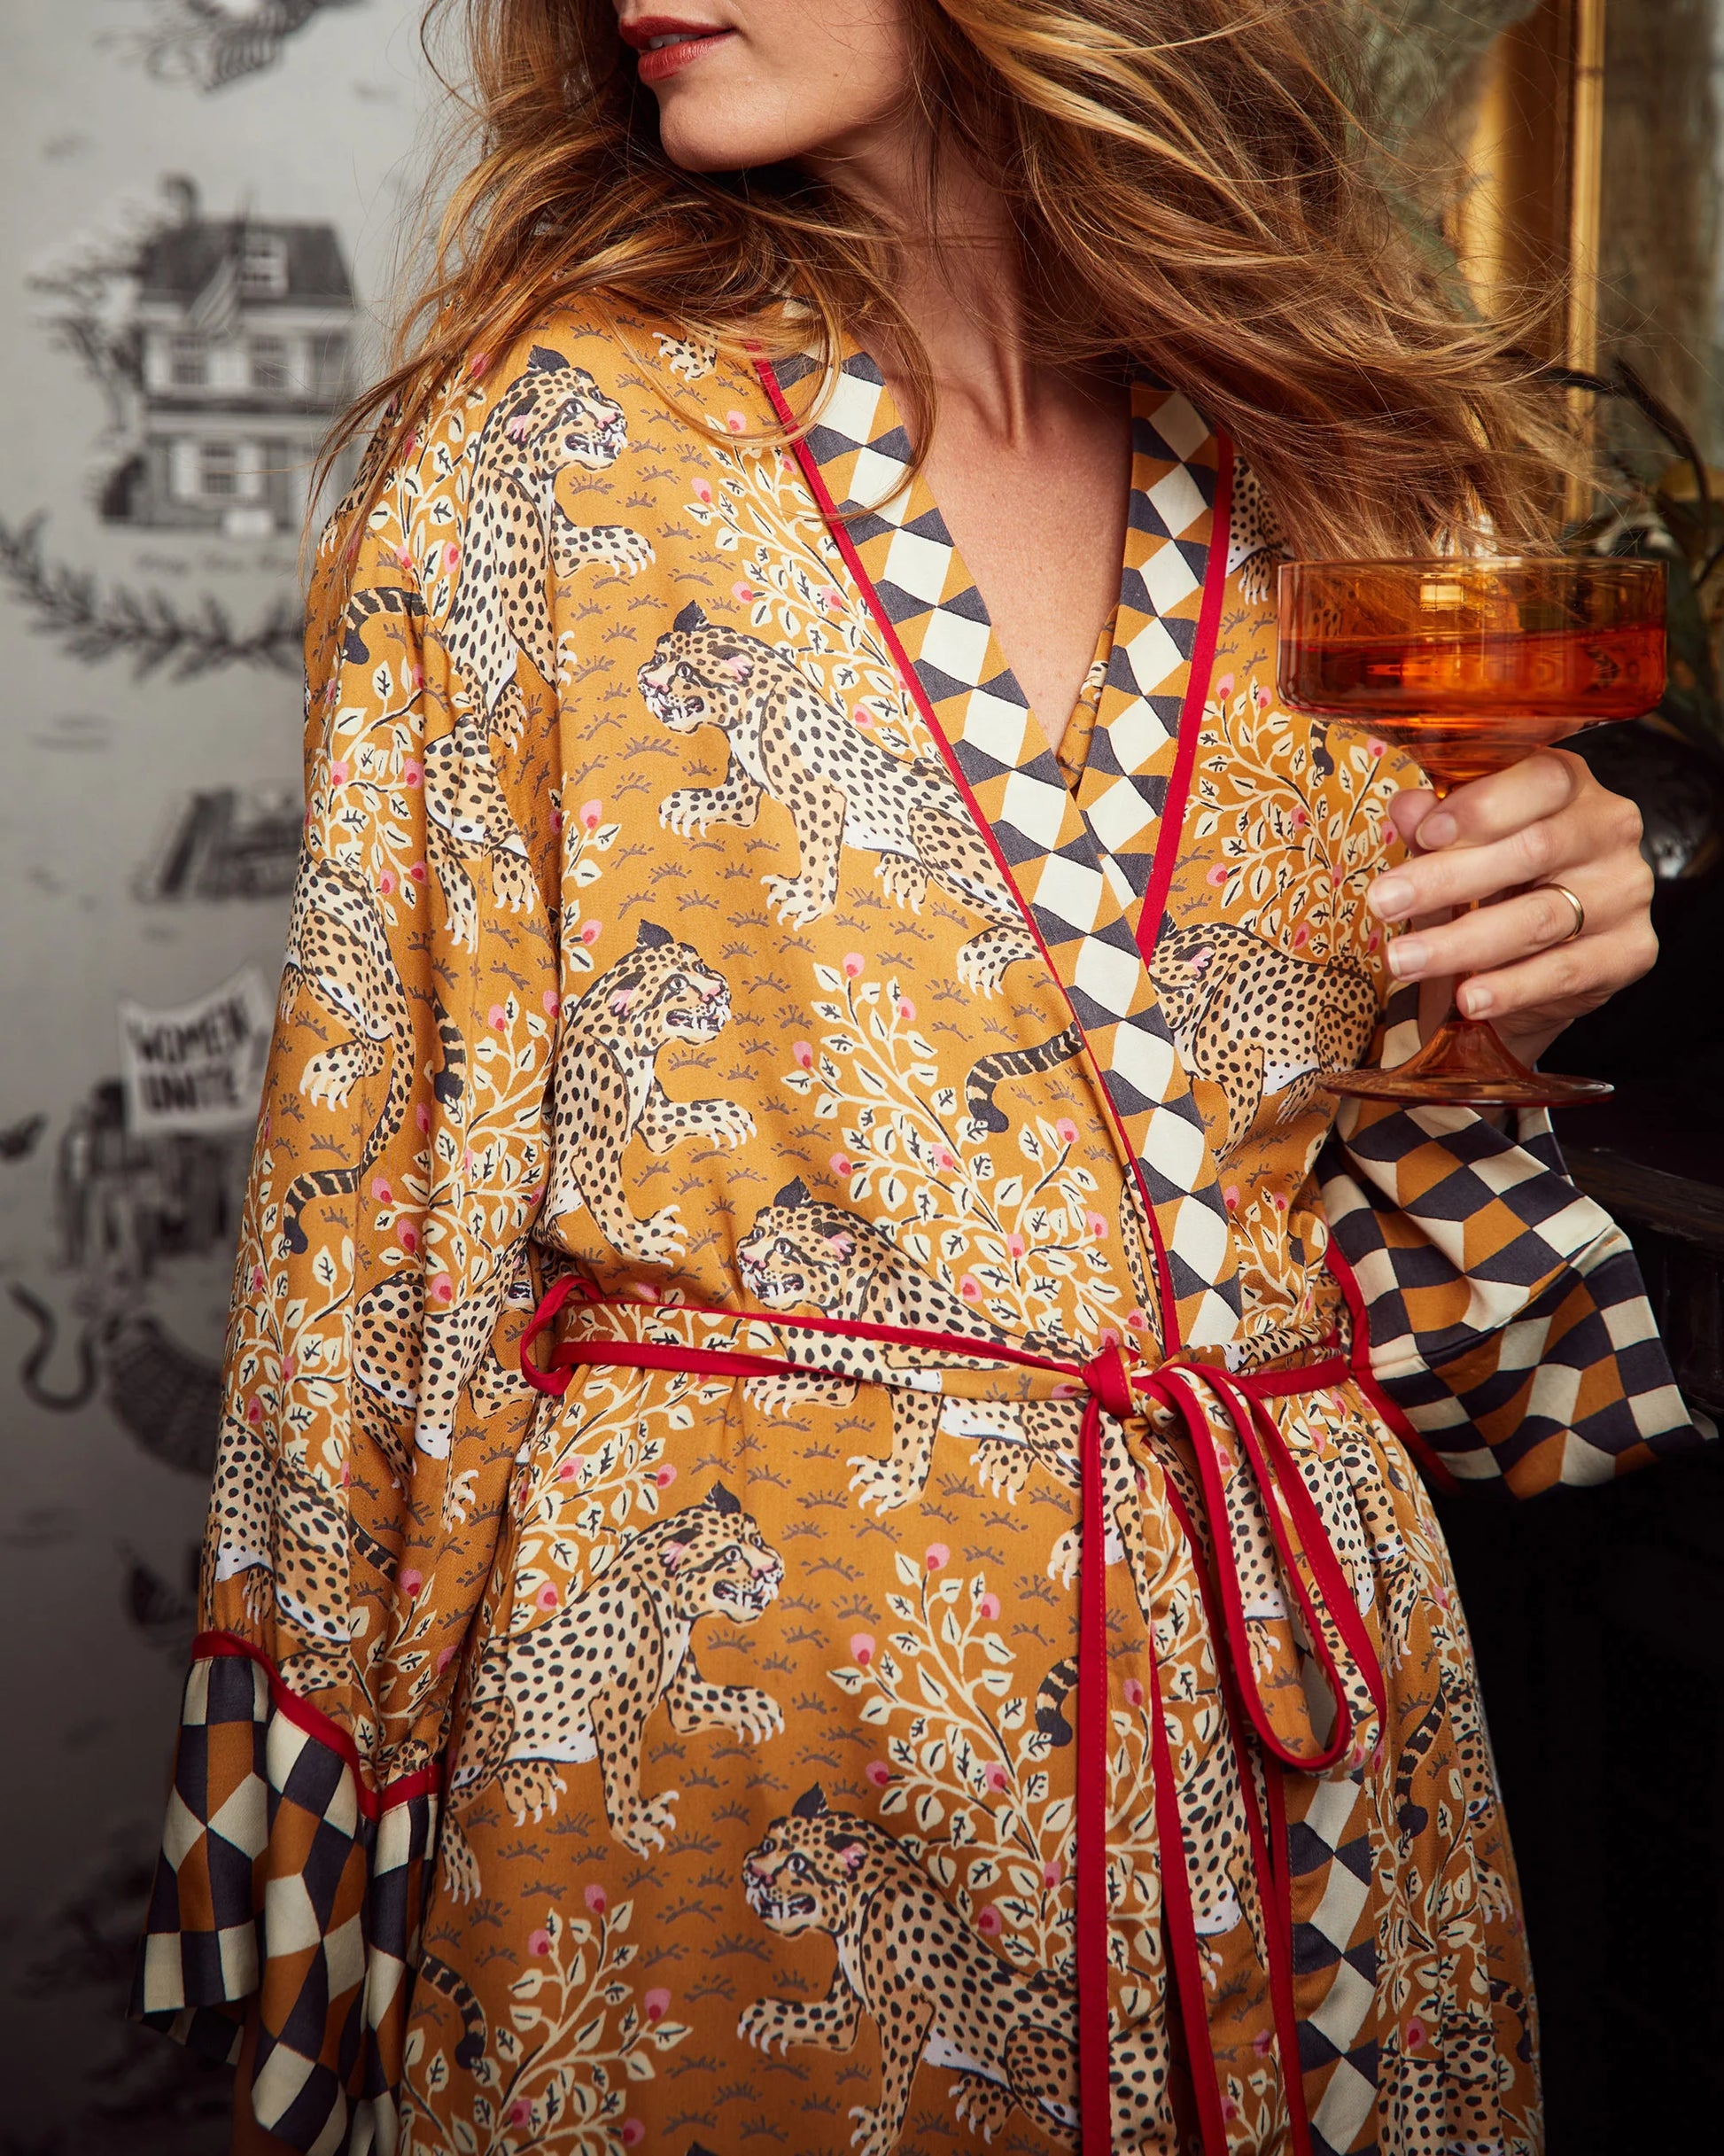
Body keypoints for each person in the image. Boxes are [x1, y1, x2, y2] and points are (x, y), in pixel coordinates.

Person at [132, 3, 1701, 2151]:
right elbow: (378, 1211)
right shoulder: (553, 445)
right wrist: (322, 1818)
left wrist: (1547, 941)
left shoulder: (1340, 465)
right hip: (734, 1743)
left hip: (1308, 1731)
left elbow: (1342, 1217)